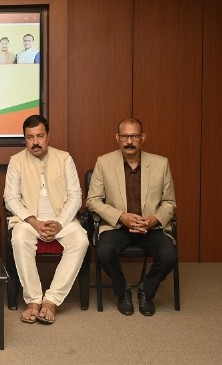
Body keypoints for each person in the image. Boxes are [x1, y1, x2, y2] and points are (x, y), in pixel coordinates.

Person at [86, 117, 177, 317]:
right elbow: (92, 200)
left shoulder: (161, 164)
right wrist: (121, 216)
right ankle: (123, 292)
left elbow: (169, 203)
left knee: (169, 255)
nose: (129, 141)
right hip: (117, 226)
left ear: (142, 137)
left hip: (149, 226)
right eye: (125, 136)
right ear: (117, 138)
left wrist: (153, 219)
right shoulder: (104, 162)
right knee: (104, 252)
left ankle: (146, 292)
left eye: (134, 136)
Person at [4, 115, 88, 324]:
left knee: (81, 241)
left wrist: (59, 223)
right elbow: (11, 199)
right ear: (25, 139)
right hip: (29, 221)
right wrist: (33, 221)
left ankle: (51, 300)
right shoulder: (16, 161)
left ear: (48, 137)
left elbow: (76, 196)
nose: (35, 142)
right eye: (30, 137)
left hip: (62, 220)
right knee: (19, 239)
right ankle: (33, 300)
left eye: (40, 136)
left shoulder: (64, 158)